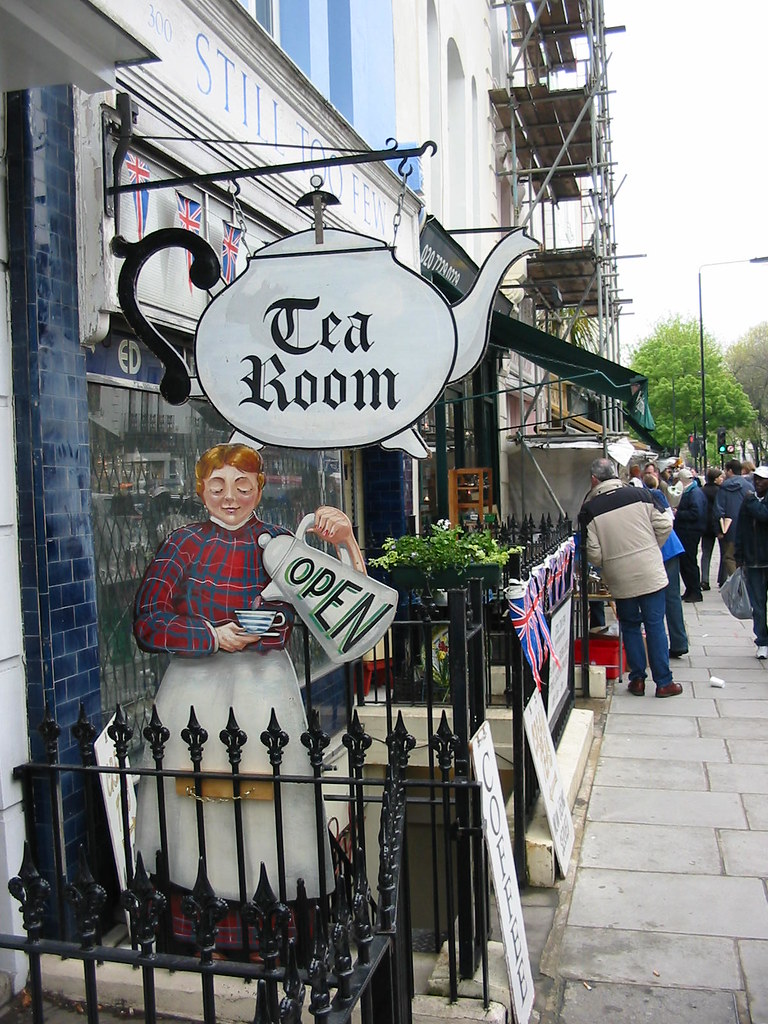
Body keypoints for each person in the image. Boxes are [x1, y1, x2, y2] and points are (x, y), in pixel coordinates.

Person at [133, 443, 364, 916]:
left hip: (264, 690)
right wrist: (210, 635)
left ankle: (272, 914)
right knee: (195, 798)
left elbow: (351, 613)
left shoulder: (281, 543)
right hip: (192, 692)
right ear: (201, 491)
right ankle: (198, 911)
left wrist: (346, 543)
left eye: (242, 486)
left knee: (267, 797)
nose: (230, 497)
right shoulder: (182, 544)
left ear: (259, 489)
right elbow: (148, 621)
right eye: (217, 486)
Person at [582, 457, 682, 697]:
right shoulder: (641, 495)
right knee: (655, 625)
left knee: (630, 625)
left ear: (594, 479)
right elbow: (665, 524)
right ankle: (664, 682)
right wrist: (651, 548)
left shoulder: (590, 509)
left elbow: (593, 552)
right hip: (650, 570)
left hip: (620, 576)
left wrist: (609, 563)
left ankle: (637, 679)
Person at [644, 470, 688, 657]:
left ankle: (674, 642)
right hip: (670, 548)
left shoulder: (646, 497)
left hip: (664, 550)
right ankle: (679, 642)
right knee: (672, 598)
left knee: (666, 598)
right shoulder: (656, 496)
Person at [734, 465, 768, 659]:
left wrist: (752, 500)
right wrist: (739, 555)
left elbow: (764, 515)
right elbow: (741, 529)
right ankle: (762, 641)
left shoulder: (750, 500)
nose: (758, 482)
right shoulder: (748, 500)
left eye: (762, 479)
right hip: (754, 560)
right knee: (758, 604)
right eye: (756, 479)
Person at [715, 459, 754, 583]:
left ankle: (737, 583)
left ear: (730, 470)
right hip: (747, 528)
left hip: (729, 527)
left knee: (729, 557)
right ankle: (746, 581)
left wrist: (719, 529)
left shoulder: (724, 487)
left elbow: (718, 510)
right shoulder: (748, 486)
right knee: (745, 557)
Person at [674, 467, 707, 602]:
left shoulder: (694, 493)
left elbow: (696, 513)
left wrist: (678, 514)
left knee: (689, 562)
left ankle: (695, 591)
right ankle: (690, 589)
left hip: (690, 531)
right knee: (686, 562)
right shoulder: (691, 491)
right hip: (686, 531)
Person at [700, 466, 724, 590]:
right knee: (723, 553)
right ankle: (722, 579)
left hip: (705, 526)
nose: (722, 479)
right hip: (719, 525)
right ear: (715, 479)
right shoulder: (721, 491)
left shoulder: (702, 491)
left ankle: (705, 579)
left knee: (706, 553)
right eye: (720, 477)